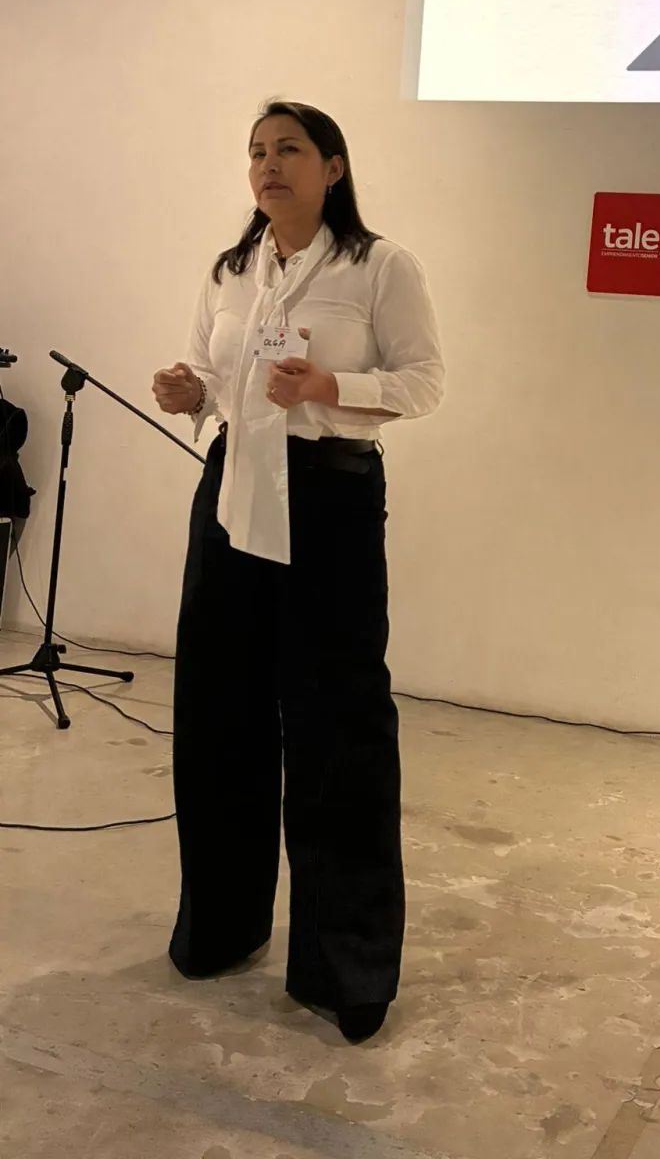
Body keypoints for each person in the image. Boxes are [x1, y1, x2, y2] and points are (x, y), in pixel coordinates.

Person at [152, 101, 444, 1044]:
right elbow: (211, 370)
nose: (267, 165)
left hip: (329, 502)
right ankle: (222, 928)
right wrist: (190, 391)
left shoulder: (379, 267)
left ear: (334, 166)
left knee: (339, 731)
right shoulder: (231, 271)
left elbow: (424, 381)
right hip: (232, 497)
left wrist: (332, 388)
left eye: (287, 150)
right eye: (255, 153)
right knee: (218, 718)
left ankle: (345, 967)